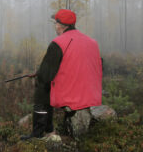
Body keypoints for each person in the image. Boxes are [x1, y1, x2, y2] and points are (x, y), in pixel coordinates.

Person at [21, 9, 102, 140]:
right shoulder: (91, 42)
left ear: (60, 25)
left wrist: (39, 75)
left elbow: (45, 76)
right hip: (90, 92)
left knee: (42, 89)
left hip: (71, 93)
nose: (55, 25)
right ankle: (50, 129)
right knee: (47, 83)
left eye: (55, 22)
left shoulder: (58, 43)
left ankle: (40, 133)